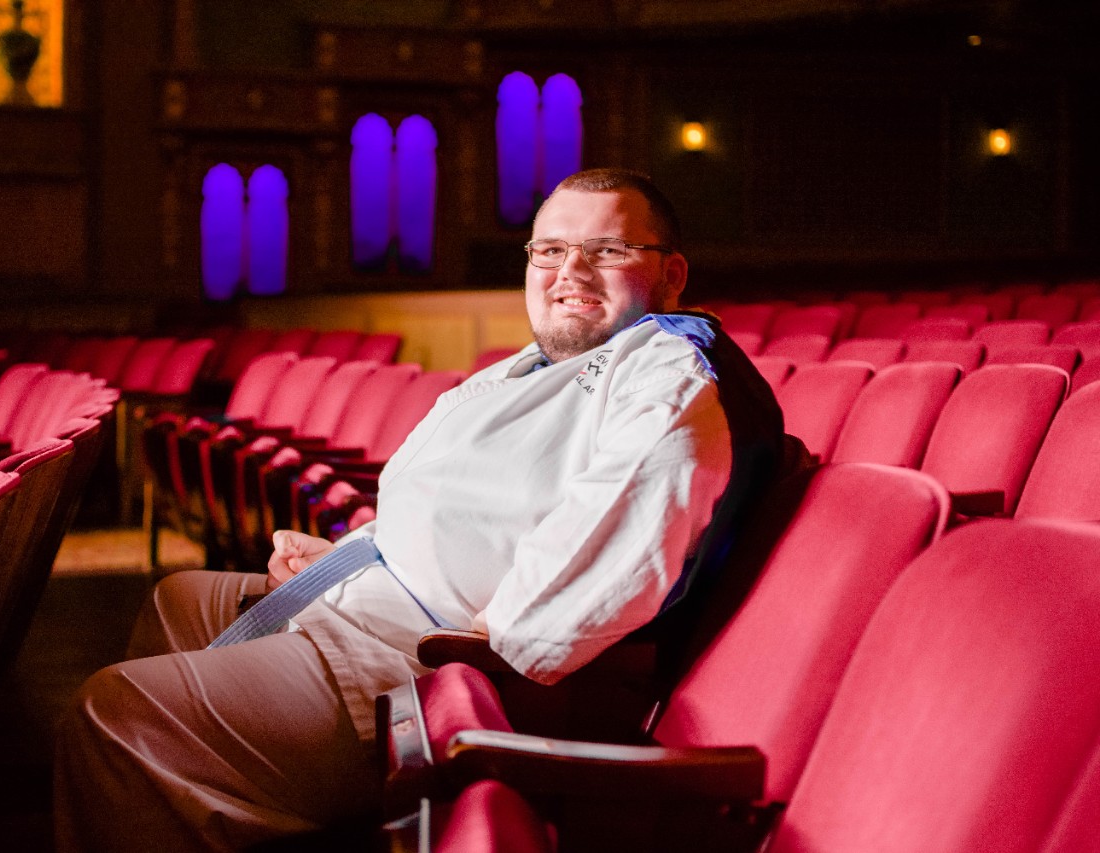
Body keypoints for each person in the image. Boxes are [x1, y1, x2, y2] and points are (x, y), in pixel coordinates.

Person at [54, 168, 784, 852]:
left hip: (429, 662)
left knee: (113, 715)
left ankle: (195, 784)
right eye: (551, 249)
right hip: (384, 603)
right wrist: (343, 556)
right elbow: (454, 497)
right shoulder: (531, 365)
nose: (570, 272)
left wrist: (481, 650)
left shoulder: (667, 370)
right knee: (181, 600)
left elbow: (609, 548)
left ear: (671, 274)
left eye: (608, 249)